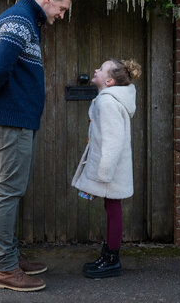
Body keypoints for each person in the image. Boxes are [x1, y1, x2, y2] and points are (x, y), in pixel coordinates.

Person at [0, 0, 73, 292]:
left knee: (13, 190)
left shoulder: (26, 21)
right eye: (61, 9)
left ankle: (10, 258)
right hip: (13, 119)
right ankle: (4, 270)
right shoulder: (19, 20)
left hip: (19, 119)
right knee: (9, 191)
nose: (61, 16)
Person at [71, 58, 142, 279]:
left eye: (100, 69)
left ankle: (112, 259)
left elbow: (112, 141)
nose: (95, 69)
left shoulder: (108, 103)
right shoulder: (107, 100)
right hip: (112, 167)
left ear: (109, 80)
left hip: (110, 169)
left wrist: (103, 173)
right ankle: (109, 255)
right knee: (112, 209)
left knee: (113, 210)